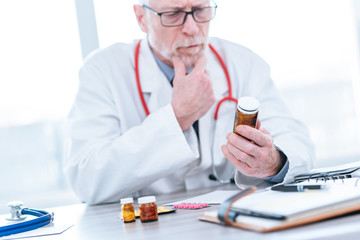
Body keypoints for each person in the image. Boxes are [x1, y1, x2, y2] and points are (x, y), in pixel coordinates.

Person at [64, 0, 315, 204]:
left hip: (234, 220)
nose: (193, 28)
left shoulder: (244, 63)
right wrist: (177, 116)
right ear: (141, 17)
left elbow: (298, 145)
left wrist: (272, 161)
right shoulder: (103, 71)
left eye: (200, 10)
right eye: (173, 14)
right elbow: (87, 179)